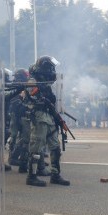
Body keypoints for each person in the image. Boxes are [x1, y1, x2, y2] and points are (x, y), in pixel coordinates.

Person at [25, 56, 70, 187]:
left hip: (49, 116)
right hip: (39, 116)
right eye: (51, 67)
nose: (53, 70)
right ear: (45, 68)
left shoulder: (46, 83)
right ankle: (32, 176)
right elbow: (31, 95)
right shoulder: (34, 80)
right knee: (36, 148)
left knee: (55, 147)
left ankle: (55, 175)